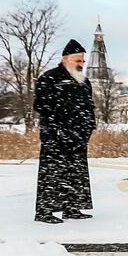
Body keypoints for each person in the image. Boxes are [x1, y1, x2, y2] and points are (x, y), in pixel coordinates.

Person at [33, 39, 96, 223]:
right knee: (52, 174)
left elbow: (89, 108)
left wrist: (88, 128)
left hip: (78, 137)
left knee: (75, 174)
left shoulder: (84, 82)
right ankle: (45, 212)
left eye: (83, 61)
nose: (81, 64)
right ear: (66, 59)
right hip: (56, 137)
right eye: (78, 61)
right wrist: (59, 127)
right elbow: (42, 105)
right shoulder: (49, 77)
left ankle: (72, 208)